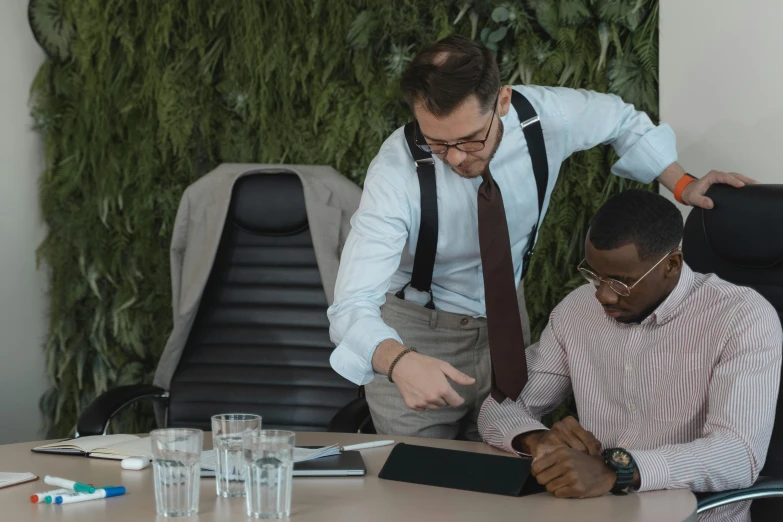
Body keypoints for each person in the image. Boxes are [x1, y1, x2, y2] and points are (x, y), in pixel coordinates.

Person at [327, 33, 755, 440]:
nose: (455, 157)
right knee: (416, 490)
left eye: (471, 139)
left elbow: (623, 121)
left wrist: (682, 184)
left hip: (508, 327)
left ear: (503, 101)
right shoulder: (395, 172)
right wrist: (400, 362)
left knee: (506, 473)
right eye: (438, 143)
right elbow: (350, 306)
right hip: (416, 332)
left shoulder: (545, 117)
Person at [478, 189, 782, 521]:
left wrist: (618, 470)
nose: (604, 296)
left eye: (622, 282)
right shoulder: (577, 310)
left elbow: (737, 456)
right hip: (595, 510)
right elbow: (501, 405)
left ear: (671, 265)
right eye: (594, 275)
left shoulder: (742, 317)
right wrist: (538, 440)